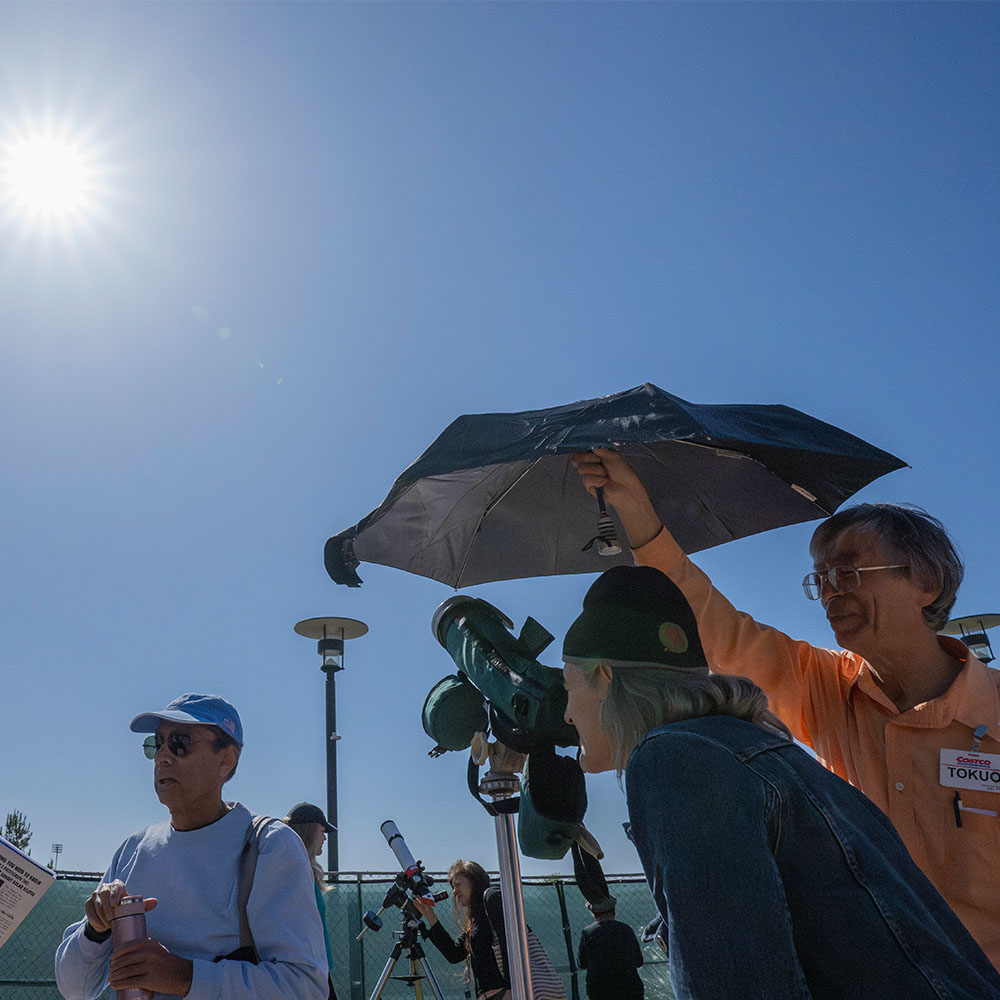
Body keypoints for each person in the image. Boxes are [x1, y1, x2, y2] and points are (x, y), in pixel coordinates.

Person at [572, 448, 1000, 967]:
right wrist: (635, 509)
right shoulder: (828, 687)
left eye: (850, 571)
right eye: (820, 579)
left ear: (925, 584)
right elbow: (714, 627)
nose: (829, 593)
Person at [55, 693, 328, 1000]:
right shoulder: (132, 850)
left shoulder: (269, 845)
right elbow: (75, 990)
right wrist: (95, 929)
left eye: (179, 743)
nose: (162, 756)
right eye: (157, 743)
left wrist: (184, 976)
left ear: (226, 760)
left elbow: (304, 987)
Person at [412, 859, 565, 1000]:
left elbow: (510, 942)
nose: (455, 891)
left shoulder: (492, 898)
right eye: (453, 887)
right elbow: (454, 954)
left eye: (458, 884)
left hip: (505, 994)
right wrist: (430, 915)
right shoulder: (476, 921)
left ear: (474, 880)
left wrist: (513, 989)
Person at [283, 801, 337, 999]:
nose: (324, 838)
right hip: (308, 972)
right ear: (310, 831)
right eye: (322, 831)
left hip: (315, 969)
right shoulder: (297, 872)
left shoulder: (302, 870)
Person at [576, 901, 643, 1000]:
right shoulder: (626, 929)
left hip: (599, 990)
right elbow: (639, 962)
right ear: (614, 911)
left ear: (594, 914)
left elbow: (582, 964)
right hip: (630, 987)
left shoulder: (588, 933)